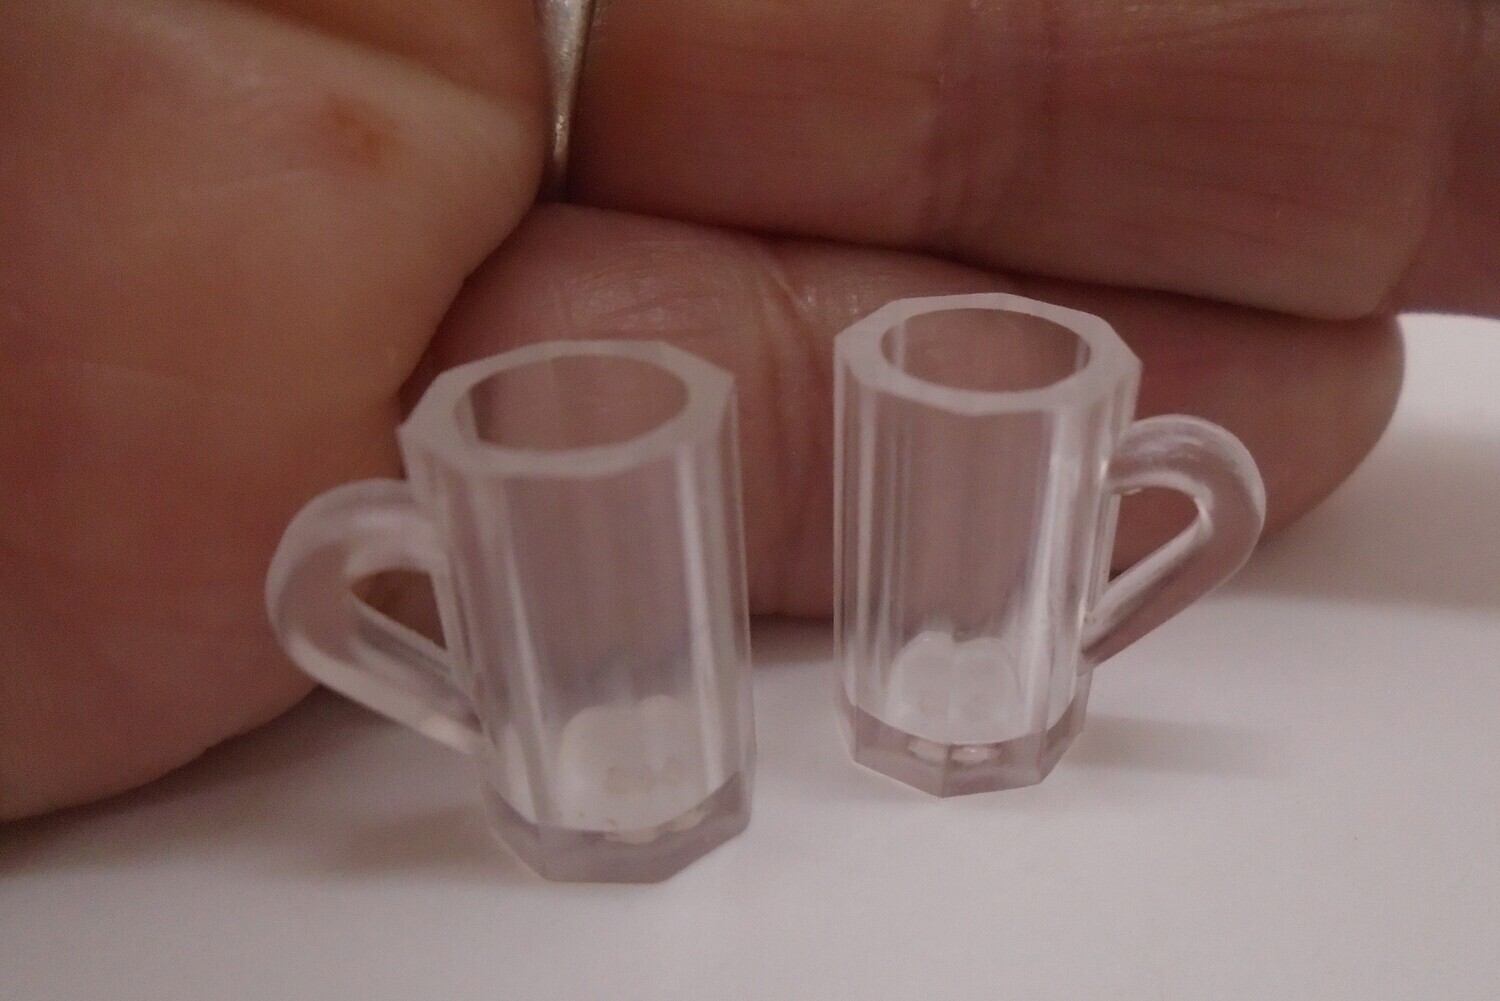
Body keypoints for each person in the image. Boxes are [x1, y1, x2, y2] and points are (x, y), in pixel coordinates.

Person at [1, 0, 1494, 821]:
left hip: (995, 729)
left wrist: (1073, 644)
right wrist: (482, 715)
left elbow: (1203, 483)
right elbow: (328, 575)